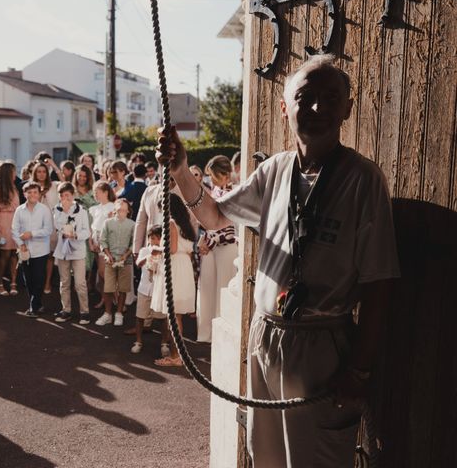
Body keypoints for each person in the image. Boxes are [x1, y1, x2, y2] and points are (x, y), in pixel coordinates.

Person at [156, 55, 400, 466]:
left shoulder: (363, 180)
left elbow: (379, 282)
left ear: (348, 108)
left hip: (323, 345)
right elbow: (215, 216)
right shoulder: (273, 171)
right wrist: (181, 170)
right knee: (263, 455)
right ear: (285, 107)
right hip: (266, 334)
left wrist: (359, 372)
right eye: (306, 97)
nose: (319, 108)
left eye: (331, 98)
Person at [149, 194, 196, 367]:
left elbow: (173, 249)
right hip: (184, 267)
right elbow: (189, 251)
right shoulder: (186, 225)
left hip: (174, 267)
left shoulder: (170, 224)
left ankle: (176, 357)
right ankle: (178, 353)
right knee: (177, 316)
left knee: (173, 316)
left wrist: (155, 248)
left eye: (163, 209)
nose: (162, 213)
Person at [196, 155, 238, 343]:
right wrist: (203, 240)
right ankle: (206, 333)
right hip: (211, 248)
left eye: (213, 176)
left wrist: (209, 242)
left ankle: (221, 335)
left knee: (222, 289)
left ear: (224, 175)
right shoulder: (214, 191)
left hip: (226, 248)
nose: (210, 179)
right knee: (206, 289)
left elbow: (230, 230)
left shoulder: (233, 193)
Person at [12, 182, 53, 317]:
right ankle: (38, 303)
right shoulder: (19, 210)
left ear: (39, 193)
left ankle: (33, 307)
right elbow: (14, 230)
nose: (32, 195)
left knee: (39, 278)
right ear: (24, 194)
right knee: (28, 279)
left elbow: (48, 230)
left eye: (35, 192)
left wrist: (32, 233)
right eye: (29, 192)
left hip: (41, 250)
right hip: (24, 250)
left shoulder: (44, 210)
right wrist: (20, 243)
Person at [53, 182, 91, 324]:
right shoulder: (57, 210)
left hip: (77, 250)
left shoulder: (81, 211)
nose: (64, 198)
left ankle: (84, 311)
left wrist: (75, 235)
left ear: (73, 195)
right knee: (64, 282)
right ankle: (66, 310)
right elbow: (57, 226)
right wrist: (64, 212)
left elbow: (87, 231)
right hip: (63, 250)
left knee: (80, 283)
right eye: (61, 196)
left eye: (67, 195)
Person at [95, 198, 135, 327]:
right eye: (118, 210)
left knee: (123, 288)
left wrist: (126, 255)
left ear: (128, 211)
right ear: (115, 210)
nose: (121, 212)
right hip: (110, 259)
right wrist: (107, 254)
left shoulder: (132, 224)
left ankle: (119, 313)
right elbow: (103, 240)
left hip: (125, 260)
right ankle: (107, 314)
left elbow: (133, 243)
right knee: (108, 287)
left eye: (124, 210)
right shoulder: (108, 223)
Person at [130, 225, 168, 355]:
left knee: (162, 318)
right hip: (144, 288)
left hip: (159, 289)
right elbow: (138, 263)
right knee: (140, 316)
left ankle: (164, 343)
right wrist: (149, 256)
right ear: (148, 239)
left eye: (158, 238)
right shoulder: (145, 250)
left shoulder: (166, 252)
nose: (155, 241)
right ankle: (138, 341)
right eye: (152, 238)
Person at [0, 161, 21, 296]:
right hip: (3, 223)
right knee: (4, 254)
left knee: (14, 254)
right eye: (13, 172)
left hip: (15, 222)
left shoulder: (14, 187)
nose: (15, 175)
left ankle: (13, 282)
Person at [32, 161, 60, 294]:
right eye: (39, 171)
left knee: (49, 255)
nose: (42, 174)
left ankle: (47, 282)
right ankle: (36, 282)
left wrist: (54, 166)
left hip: (51, 224)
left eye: (44, 171)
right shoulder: (30, 187)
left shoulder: (54, 186)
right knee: (36, 255)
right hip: (35, 224)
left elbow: (65, 181)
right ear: (35, 173)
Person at [88, 181, 116, 309]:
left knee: (103, 273)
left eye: (97, 192)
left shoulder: (112, 207)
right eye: (94, 192)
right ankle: (105, 299)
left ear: (105, 192)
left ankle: (116, 298)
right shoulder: (95, 209)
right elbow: (92, 228)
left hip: (107, 243)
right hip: (96, 241)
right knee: (101, 274)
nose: (95, 194)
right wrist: (91, 242)